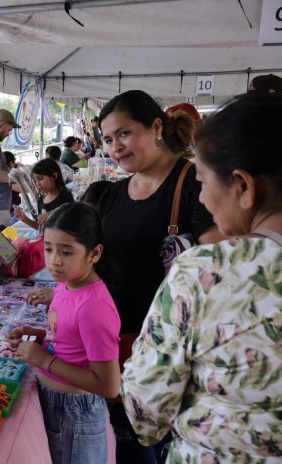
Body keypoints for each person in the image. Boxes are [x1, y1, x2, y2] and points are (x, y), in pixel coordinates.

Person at [121, 93, 282, 462]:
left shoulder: (203, 272)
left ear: (243, 186)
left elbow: (146, 414)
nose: (205, 199)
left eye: (204, 182)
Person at [96, 89, 221, 463]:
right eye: (107, 139)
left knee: (155, 447)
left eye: (124, 133)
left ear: (155, 127)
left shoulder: (197, 185)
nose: (115, 147)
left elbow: (218, 269)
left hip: (170, 354)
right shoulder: (111, 195)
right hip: (115, 344)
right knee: (123, 443)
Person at [9, 202, 121, 464]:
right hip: (57, 403)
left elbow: (109, 386)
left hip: (74, 413)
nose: (54, 261)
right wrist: (35, 336)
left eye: (66, 252)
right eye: (49, 249)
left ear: (94, 254)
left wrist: (44, 360)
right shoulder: (65, 285)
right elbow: (68, 339)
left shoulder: (94, 308)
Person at [14, 158, 75, 230]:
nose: (38, 184)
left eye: (40, 179)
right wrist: (25, 219)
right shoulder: (40, 200)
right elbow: (41, 228)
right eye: (35, 181)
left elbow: (72, 221)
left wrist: (51, 215)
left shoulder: (66, 196)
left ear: (54, 176)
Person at [4, 151, 22, 217]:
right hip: (11, 210)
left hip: (8, 209)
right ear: (11, 163)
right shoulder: (8, 176)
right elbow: (21, 189)